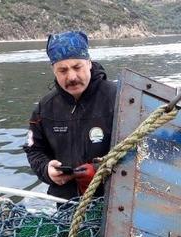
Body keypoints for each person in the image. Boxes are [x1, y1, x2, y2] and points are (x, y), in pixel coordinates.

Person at [24, 30, 118, 200]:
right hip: (66, 204)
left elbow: (138, 148)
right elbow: (34, 150)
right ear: (53, 70)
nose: (72, 77)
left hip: (113, 201)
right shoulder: (44, 108)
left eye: (77, 67)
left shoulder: (118, 98)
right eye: (63, 70)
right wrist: (47, 170)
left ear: (89, 63)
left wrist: (98, 171)